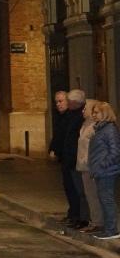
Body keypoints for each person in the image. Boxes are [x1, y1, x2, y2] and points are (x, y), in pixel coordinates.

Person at [49, 90, 88, 228]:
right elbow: (59, 137)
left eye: (61, 101)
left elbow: (72, 139)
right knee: (69, 187)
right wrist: (54, 149)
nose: (58, 104)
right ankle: (73, 214)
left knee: (77, 189)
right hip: (66, 158)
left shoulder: (75, 117)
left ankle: (79, 216)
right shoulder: (63, 117)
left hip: (74, 159)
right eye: (56, 102)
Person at [88, 102, 120, 240]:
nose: (94, 115)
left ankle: (112, 230)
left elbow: (115, 151)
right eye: (93, 112)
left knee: (107, 200)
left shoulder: (109, 129)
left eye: (96, 112)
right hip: (101, 170)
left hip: (107, 171)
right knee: (104, 199)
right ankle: (108, 228)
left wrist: (102, 165)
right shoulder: (101, 129)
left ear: (105, 113)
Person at [75, 100, 104, 234]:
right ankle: (95, 221)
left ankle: (98, 222)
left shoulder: (94, 126)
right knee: (89, 194)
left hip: (91, 166)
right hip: (83, 165)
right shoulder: (85, 124)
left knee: (94, 195)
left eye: (85, 108)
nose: (82, 110)